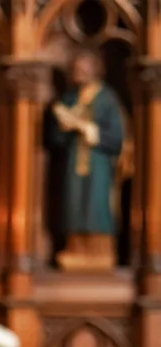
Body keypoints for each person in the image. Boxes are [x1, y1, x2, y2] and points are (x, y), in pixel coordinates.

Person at [48, 48, 131, 270]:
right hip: (74, 163)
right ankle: (75, 249)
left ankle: (101, 251)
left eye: (84, 68)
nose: (80, 72)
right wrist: (62, 127)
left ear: (96, 69)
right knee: (73, 204)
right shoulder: (70, 98)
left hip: (99, 163)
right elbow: (54, 141)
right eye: (76, 69)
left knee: (96, 205)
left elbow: (116, 138)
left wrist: (87, 128)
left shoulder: (107, 98)